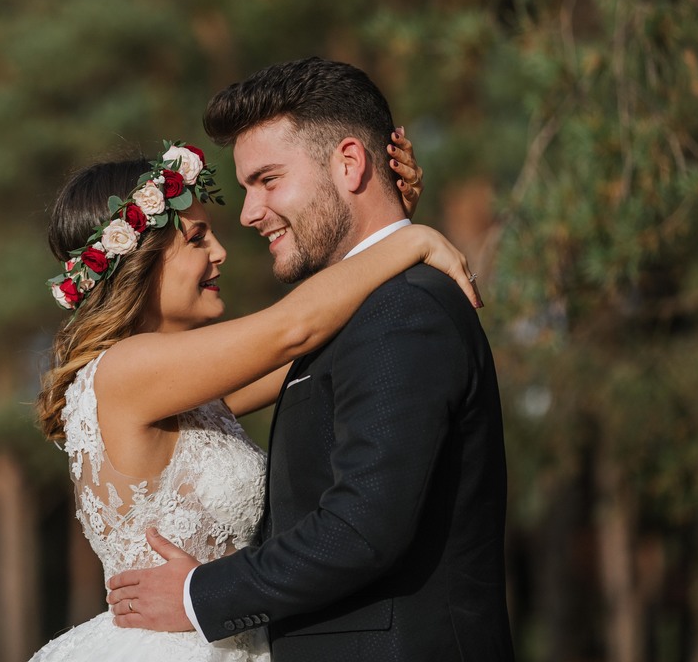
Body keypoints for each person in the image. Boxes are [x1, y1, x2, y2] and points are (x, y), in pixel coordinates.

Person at [106, 58, 516, 661]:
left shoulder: (401, 313)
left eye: (268, 180)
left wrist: (201, 595)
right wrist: (411, 235)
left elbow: (362, 527)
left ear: (350, 164)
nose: (246, 215)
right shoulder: (353, 317)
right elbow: (291, 332)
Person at [30, 133, 479, 662]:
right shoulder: (127, 369)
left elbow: (329, 338)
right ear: (140, 261)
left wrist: (381, 221)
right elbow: (294, 329)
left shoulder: (182, 390)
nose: (220, 253)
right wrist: (410, 241)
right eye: (197, 239)